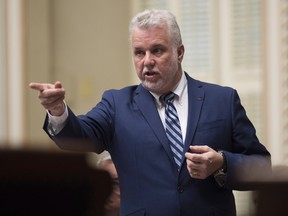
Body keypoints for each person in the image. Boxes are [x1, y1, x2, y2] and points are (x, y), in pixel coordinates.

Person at [29, 9, 271, 216]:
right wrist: (58, 110)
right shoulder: (116, 104)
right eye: (139, 52)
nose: (147, 61)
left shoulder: (222, 100)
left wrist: (221, 163)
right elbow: (77, 138)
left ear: (180, 52)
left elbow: (261, 167)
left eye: (157, 50)